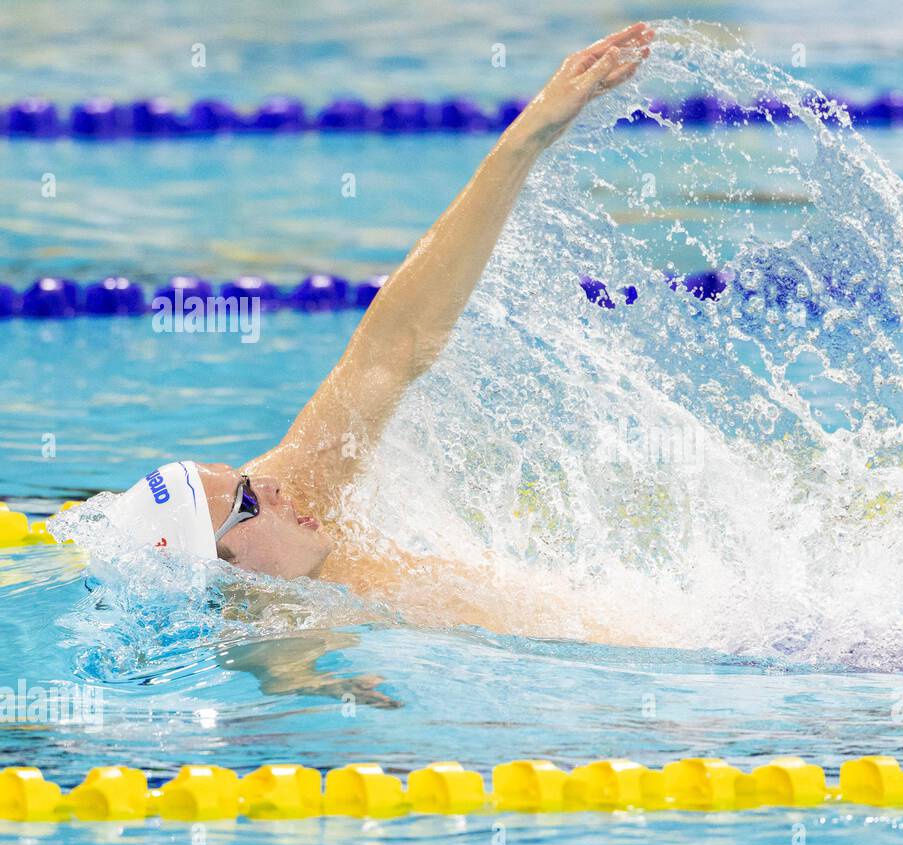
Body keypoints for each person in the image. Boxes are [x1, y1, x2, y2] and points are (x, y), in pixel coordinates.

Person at [103, 25, 654, 640]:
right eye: (248, 500)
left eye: (249, 478)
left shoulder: (302, 506)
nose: (279, 486)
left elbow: (395, 346)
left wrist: (529, 136)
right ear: (222, 568)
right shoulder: (277, 640)